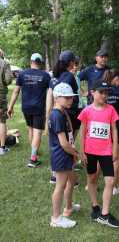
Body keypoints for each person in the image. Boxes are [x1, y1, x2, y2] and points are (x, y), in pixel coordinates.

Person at [78, 80, 119, 228]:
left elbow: (114, 129)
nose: (104, 95)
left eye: (106, 92)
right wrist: (82, 151)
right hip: (90, 151)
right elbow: (83, 132)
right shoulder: (86, 111)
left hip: (106, 151)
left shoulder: (111, 110)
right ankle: (95, 205)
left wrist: (115, 147)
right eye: (101, 92)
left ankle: (104, 214)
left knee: (109, 181)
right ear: (92, 93)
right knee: (91, 179)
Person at [8, 53, 51, 167]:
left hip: (26, 107)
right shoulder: (46, 76)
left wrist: (10, 106)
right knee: (37, 132)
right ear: (40, 63)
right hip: (39, 107)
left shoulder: (22, 74)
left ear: (30, 61)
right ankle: (33, 159)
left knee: (31, 129)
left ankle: (34, 151)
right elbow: (50, 93)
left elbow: (16, 91)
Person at [46, 50, 80, 184]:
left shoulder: (53, 77)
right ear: (71, 62)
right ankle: (62, 175)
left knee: (56, 143)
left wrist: (48, 115)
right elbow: (74, 94)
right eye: (74, 61)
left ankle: (58, 174)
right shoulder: (69, 77)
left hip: (56, 112)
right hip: (68, 113)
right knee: (67, 143)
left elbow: (50, 97)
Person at [49, 83, 80, 228]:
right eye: (66, 98)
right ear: (57, 97)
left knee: (72, 180)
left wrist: (72, 151)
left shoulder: (62, 112)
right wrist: (76, 153)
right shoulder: (56, 115)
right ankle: (56, 218)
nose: (70, 100)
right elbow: (63, 143)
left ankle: (68, 207)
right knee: (60, 186)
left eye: (71, 98)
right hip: (61, 155)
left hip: (66, 154)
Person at [103, 69, 119, 195]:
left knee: (100, 155)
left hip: (104, 123)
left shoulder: (101, 89)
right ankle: (114, 187)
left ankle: (91, 183)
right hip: (118, 123)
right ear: (115, 78)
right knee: (115, 158)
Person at [0, 48, 12, 155]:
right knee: (2, 121)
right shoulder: (4, 63)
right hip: (1, 95)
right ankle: (2, 148)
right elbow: (8, 80)